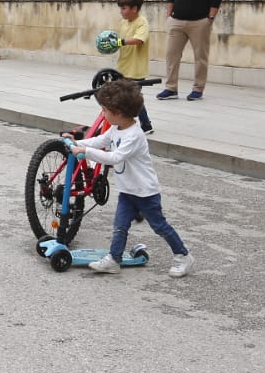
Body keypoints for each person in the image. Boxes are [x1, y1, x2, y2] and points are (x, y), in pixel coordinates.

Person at [65, 79, 194, 278]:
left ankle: (183, 255)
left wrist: (85, 151)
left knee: (160, 226)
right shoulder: (117, 128)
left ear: (117, 112)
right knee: (120, 225)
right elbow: (100, 140)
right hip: (127, 191)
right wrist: (78, 142)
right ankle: (114, 260)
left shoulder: (134, 135)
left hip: (145, 192)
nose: (103, 113)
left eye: (105, 110)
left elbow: (114, 157)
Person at [156, 0, 223, 101]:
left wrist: (210, 18)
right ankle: (171, 88)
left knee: (200, 57)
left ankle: (198, 89)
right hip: (176, 22)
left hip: (199, 22)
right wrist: (169, 16)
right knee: (171, 55)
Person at [113, 0, 153, 134]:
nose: (121, 12)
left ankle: (146, 125)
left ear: (134, 9)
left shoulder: (142, 22)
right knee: (127, 98)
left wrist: (120, 42)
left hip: (136, 69)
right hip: (123, 66)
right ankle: (130, 123)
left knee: (133, 98)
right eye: (121, 8)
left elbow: (139, 40)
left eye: (124, 8)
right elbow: (121, 41)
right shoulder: (124, 23)